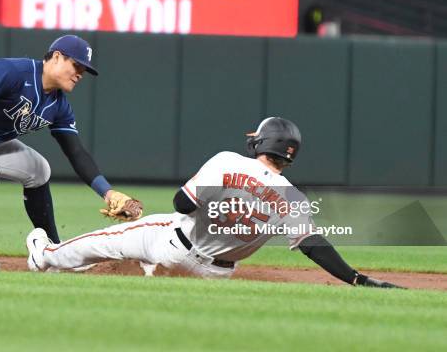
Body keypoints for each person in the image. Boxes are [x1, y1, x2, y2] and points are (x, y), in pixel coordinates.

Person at [26, 117, 403, 288]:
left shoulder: (227, 161)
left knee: (104, 241)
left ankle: (44, 255)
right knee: (140, 264)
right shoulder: (294, 199)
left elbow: (181, 204)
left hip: (174, 244)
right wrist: (357, 278)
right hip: (216, 275)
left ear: (263, 143)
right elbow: (315, 249)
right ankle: (143, 271)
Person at [0, 35, 142, 269]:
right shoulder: (13, 71)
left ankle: (55, 252)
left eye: (84, 70)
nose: (80, 74)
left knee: (39, 170)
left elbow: (76, 152)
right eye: (76, 65)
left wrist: (108, 192)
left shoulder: (59, 106)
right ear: (56, 57)